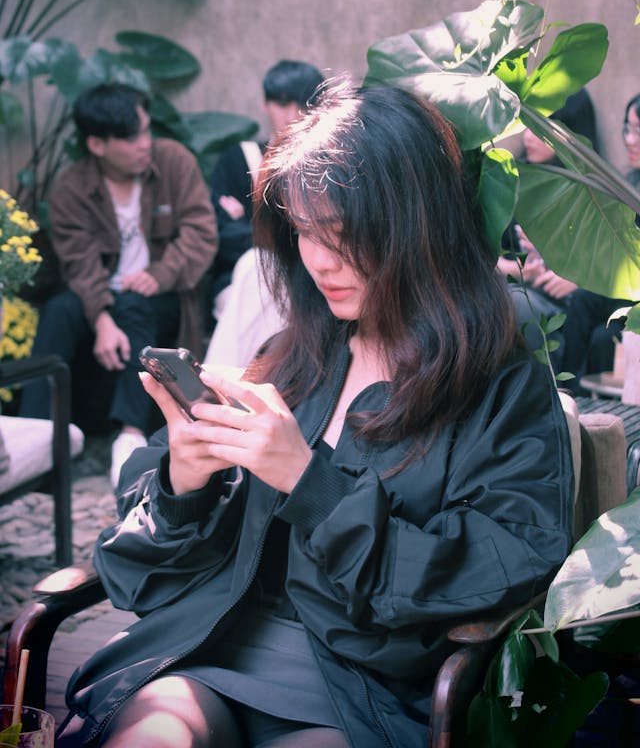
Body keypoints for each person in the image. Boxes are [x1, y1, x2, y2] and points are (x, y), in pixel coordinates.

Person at [56, 84, 573, 748]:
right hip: (213, 650)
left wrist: (309, 481)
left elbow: (493, 571)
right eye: (303, 231)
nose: (320, 261)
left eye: (344, 234)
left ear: (418, 228)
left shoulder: (502, 391)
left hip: (362, 691)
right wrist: (184, 481)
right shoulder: (293, 357)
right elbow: (149, 567)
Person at [18, 83, 218, 487]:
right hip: (97, 295)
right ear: (96, 144)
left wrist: (159, 274)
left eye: (146, 130)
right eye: (130, 137)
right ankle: (35, 438)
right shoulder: (73, 186)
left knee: (135, 306)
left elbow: (201, 233)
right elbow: (78, 261)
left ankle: (129, 433)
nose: (144, 143)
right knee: (59, 310)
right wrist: (102, 316)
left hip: (164, 295)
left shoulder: (174, 162)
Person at [209, 59, 324, 318]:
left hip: (313, 279)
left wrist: (250, 225)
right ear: (265, 104)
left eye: (305, 105)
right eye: (283, 104)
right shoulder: (239, 159)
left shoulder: (329, 165)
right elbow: (222, 234)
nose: (294, 115)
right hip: (241, 279)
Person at [497, 88, 599, 353]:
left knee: (516, 307)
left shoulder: (594, 192)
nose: (528, 137)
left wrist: (578, 279)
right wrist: (516, 269)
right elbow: (487, 253)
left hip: (568, 305)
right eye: (527, 125)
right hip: (525, 291)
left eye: (540, 128)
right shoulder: (513, 179)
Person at [558, 92, 640, 392]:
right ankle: (566, 394)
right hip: (624, 289)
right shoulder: (627, 183)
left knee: (602, 338)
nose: (629, 140)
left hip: (634, 294)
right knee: (581, 303)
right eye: (627, 129)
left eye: (638, 131)